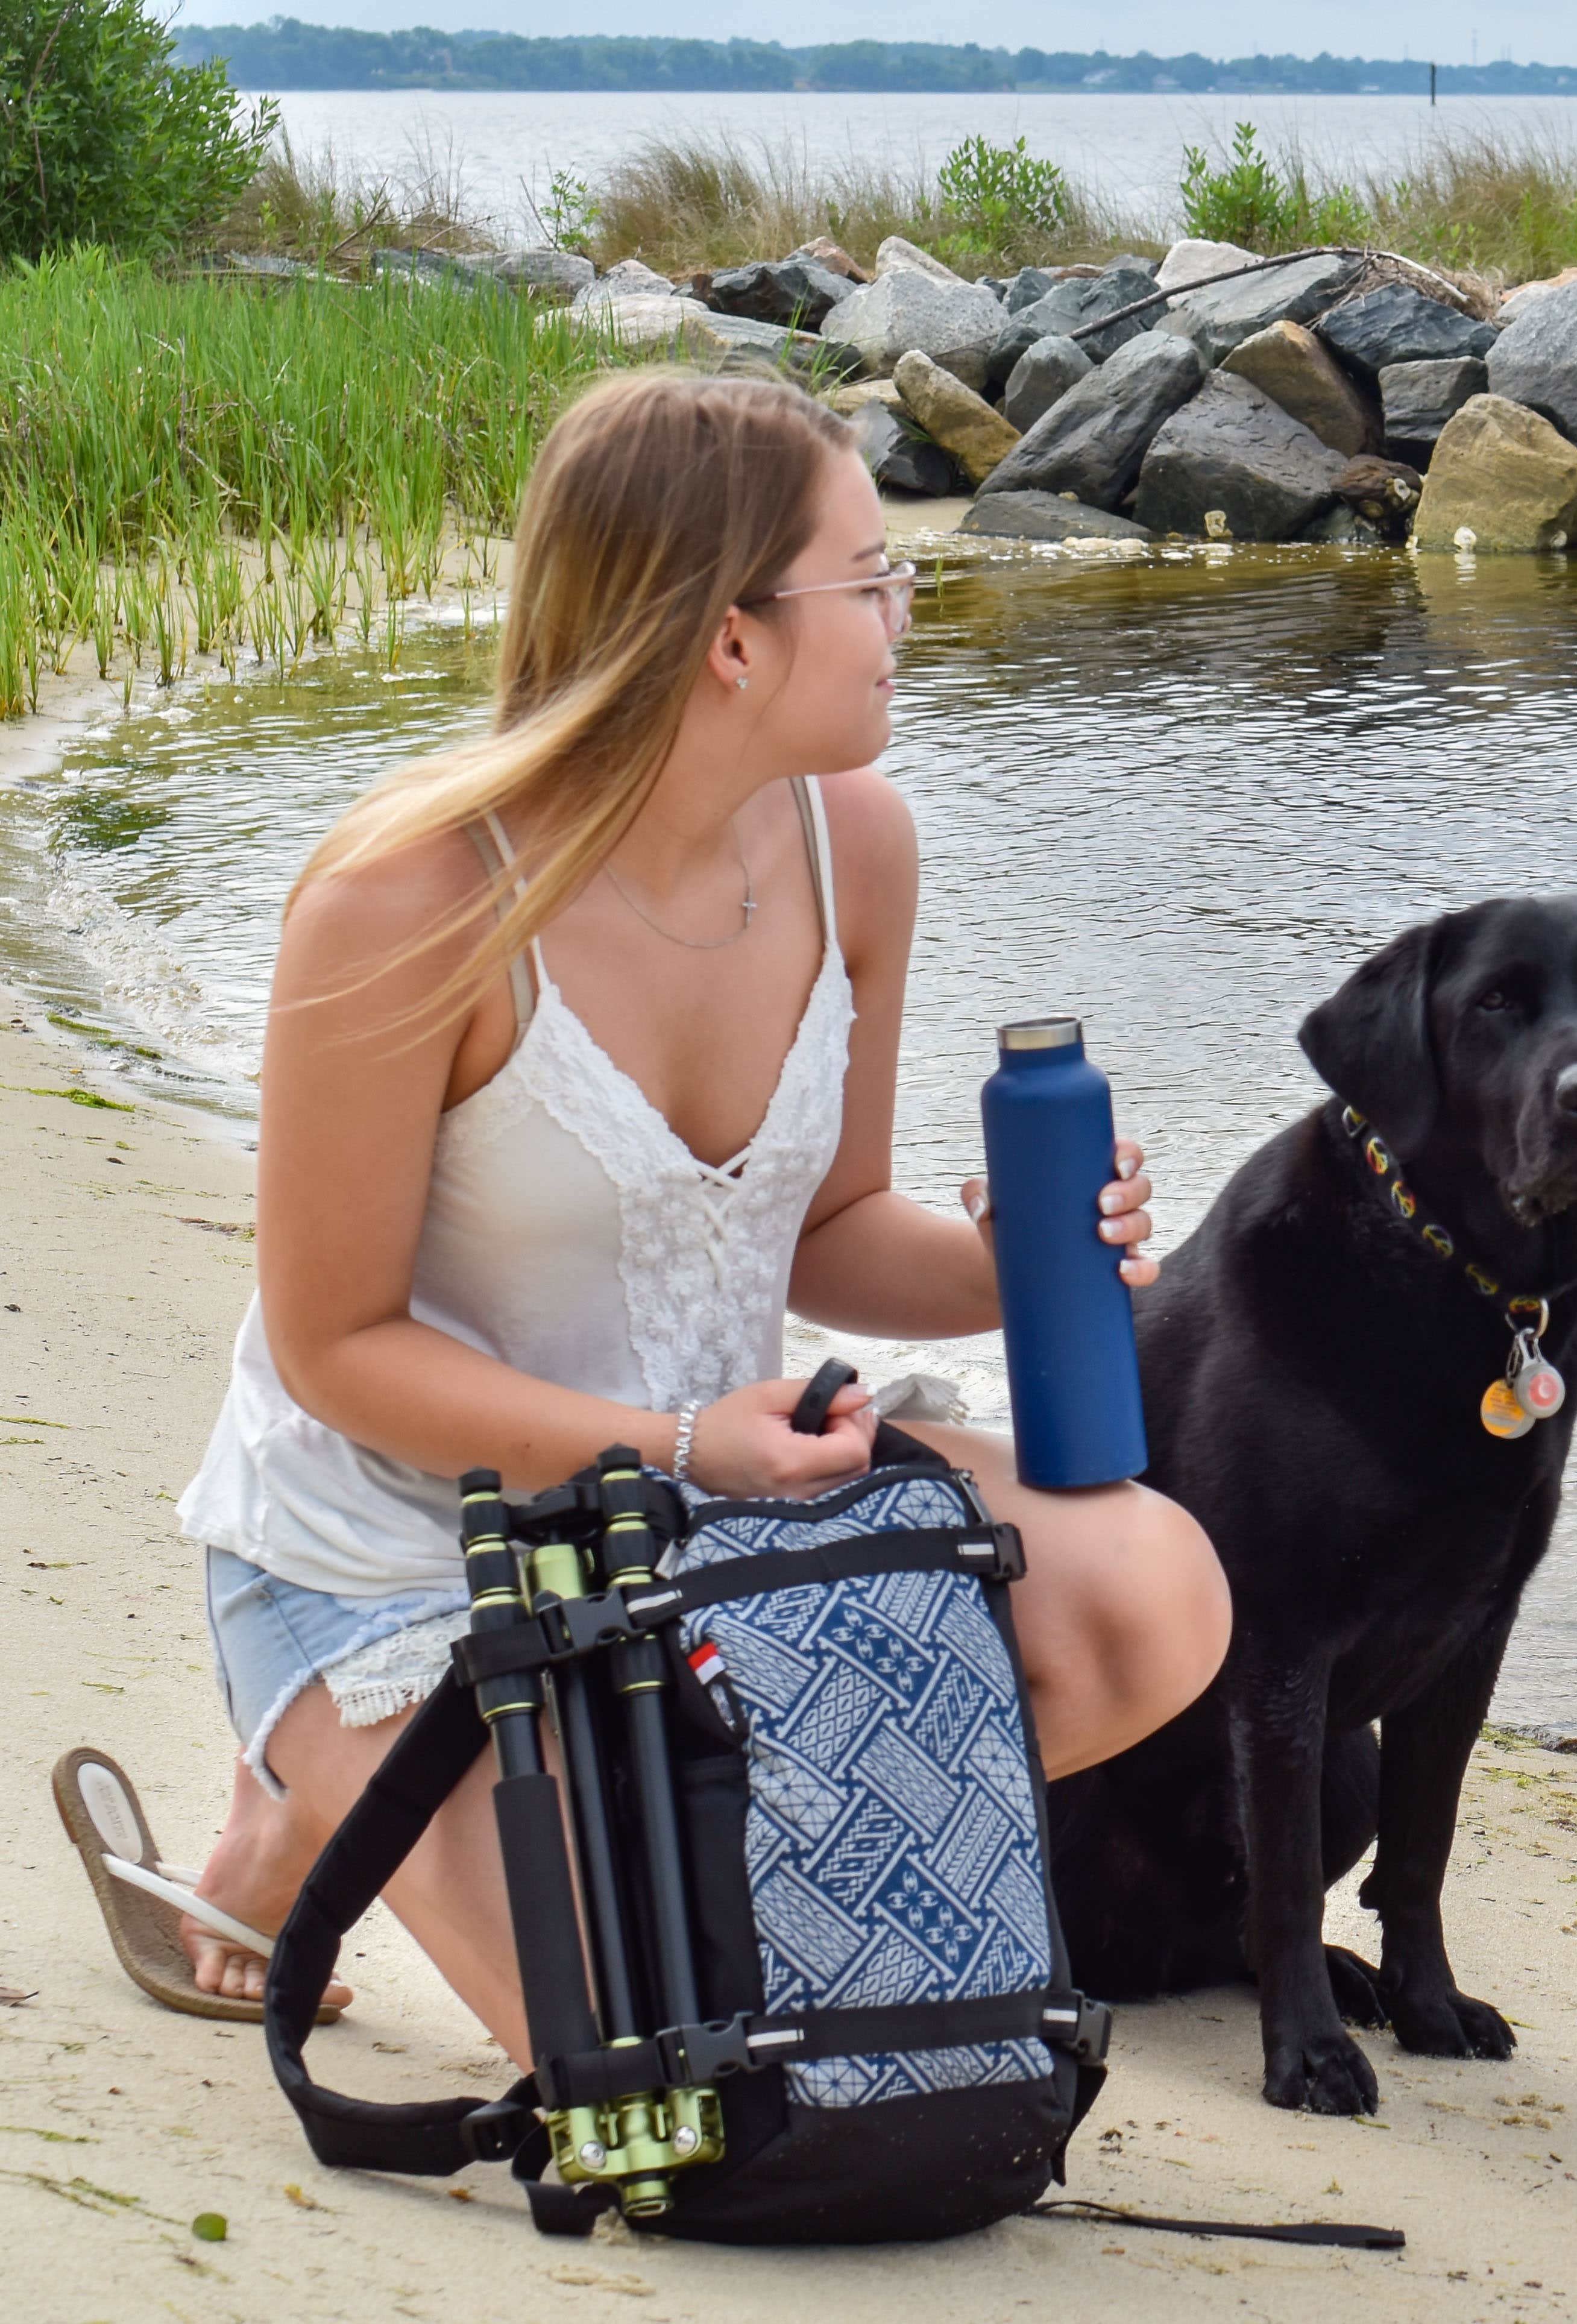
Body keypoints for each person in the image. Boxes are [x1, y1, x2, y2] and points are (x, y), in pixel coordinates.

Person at [54, 373, 1227, 2064]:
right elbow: (330, 1348)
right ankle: (306, 1783)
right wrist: (679, 1436)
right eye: (867, 575)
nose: (907, 609)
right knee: (645, 2048)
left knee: (1150, 1590)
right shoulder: (407, 901)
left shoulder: (860, 850)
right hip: (401, 1551)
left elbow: (819, 1231)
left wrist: (1015, 1264)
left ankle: (654, 1807)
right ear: (731, 640)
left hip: (704, 1522)